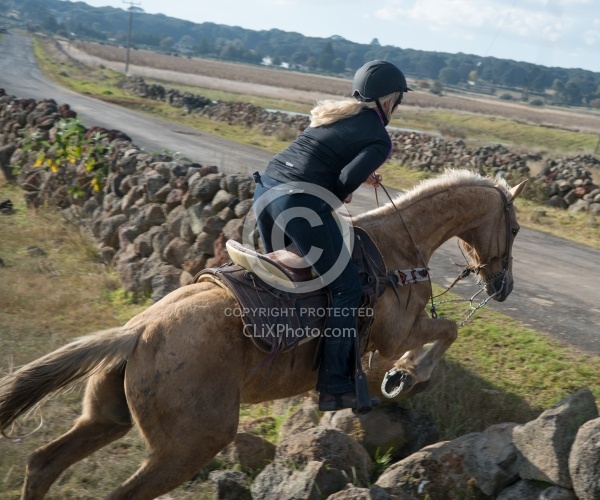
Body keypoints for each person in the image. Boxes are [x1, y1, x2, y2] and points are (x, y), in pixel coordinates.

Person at [252, 60, 411, 411]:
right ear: (389, 100)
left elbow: (321, 158)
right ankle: (335, 385)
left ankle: (282, 350)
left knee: (286, 279)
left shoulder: (337, 115)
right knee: (347, 288)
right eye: (398, 100)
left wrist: (353, 177)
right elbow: (341, 185)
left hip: (265, 193)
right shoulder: (380, 137)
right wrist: (349, 187)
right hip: (297, 204)